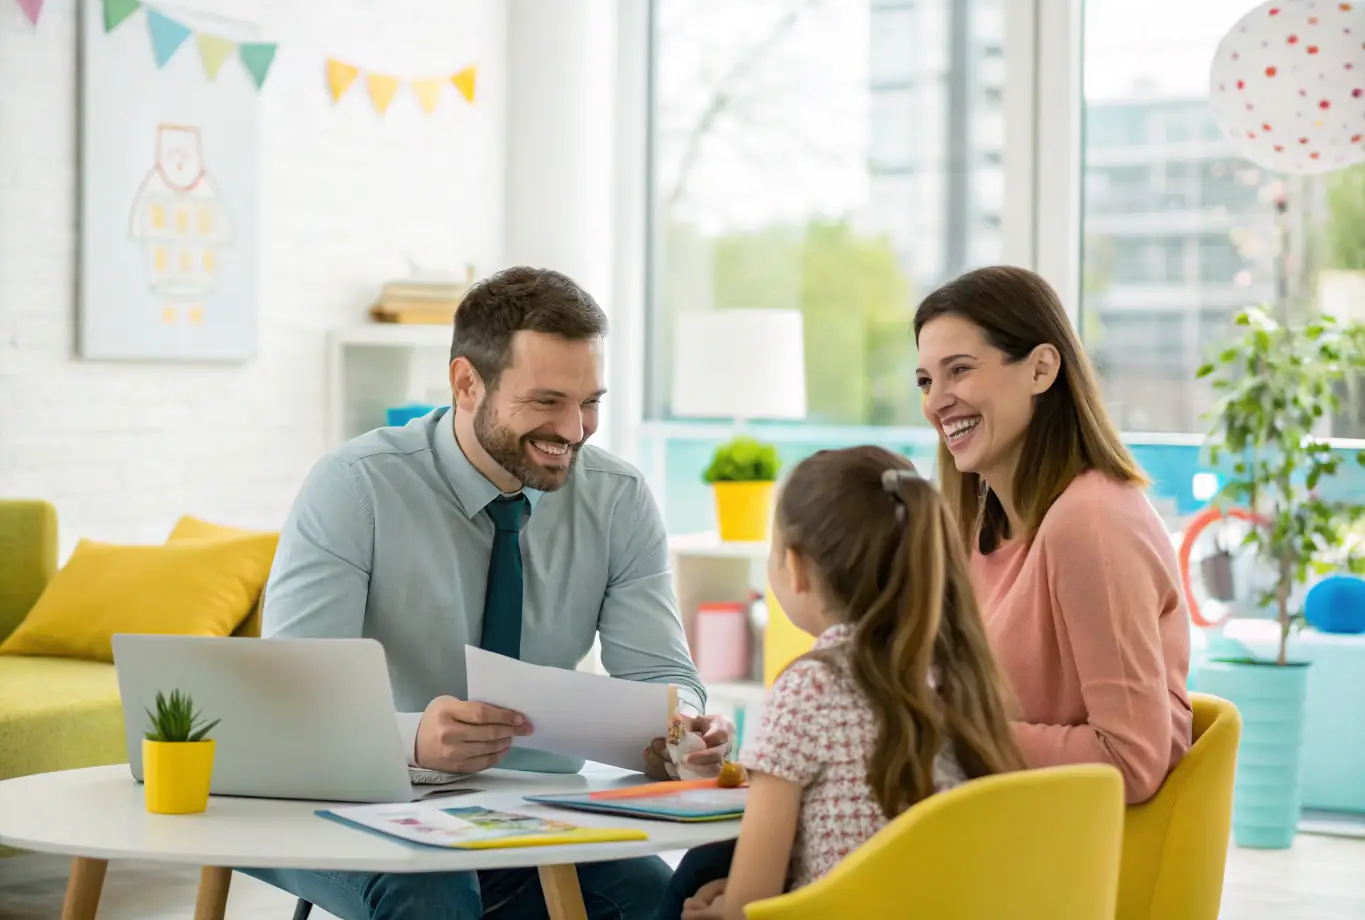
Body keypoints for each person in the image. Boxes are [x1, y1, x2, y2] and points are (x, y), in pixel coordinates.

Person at [241, 266, 735, 920]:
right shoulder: (355, 487)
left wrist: (684, 729)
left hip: (534, 809)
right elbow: (291, 704)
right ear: (466, 383)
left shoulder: (618, 499)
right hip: (350, 801)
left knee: (654, 898)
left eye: (590, 401)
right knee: (433, 892)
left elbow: (661, 673)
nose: (575, 428)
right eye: (546, 401)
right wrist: (415, 739)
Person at [658, 446, 1025, 920]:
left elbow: (751, 903)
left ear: (796, 567)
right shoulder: (962, 674)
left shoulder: (809, 687)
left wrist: (725, 904)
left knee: (685, 888)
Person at [912, 265, 1193, 805]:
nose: (935, 402)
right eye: (926, 381)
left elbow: (1131, 761)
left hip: (1054, 855)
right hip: (993, 822)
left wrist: (951, 735)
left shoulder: (1091, 521)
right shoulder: (980, 525)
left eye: (960, 371)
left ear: (1041, 370)